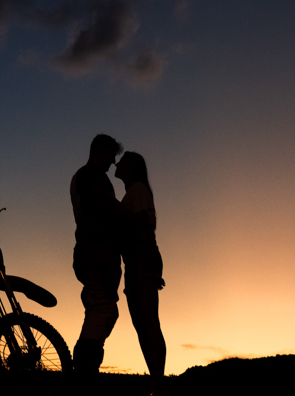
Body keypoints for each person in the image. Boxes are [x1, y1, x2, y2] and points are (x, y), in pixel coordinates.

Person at [70, 134, 124, 383]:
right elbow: (106, 210)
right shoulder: (91, 176)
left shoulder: (84, 176)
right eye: (111, 155)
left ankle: (85, 373)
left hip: (93, 252)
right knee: (103, 310)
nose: (113, 162)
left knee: (97, 310)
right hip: (97, 253)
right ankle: (84, 376)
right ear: (100, 150)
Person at [115, 151, 167, 396]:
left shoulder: (138, 189)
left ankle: (158, 384)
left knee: (148, 323)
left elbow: (138, 222)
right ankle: (155, 382)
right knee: (141, 325)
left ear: (132, 167)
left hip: (143, 260)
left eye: (123, 160)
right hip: (135, 262)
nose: (118, 162)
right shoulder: (133, 191)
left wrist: (111, 205)